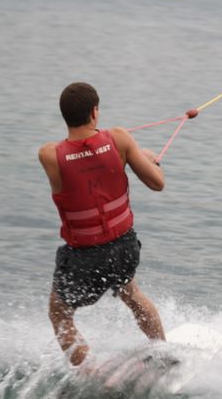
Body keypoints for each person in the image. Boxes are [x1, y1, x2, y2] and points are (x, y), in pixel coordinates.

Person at [38, 82, 166, 366]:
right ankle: (162, 350)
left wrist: (130, 152)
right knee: (131, 293)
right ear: (95, 112)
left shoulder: (49, 155)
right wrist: (145, 157)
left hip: (84, 257)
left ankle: (91, 376)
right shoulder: (120, 139)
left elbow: (79, 158)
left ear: (64, 115)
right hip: (123, 247)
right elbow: (157, 183)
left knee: (59, 314)